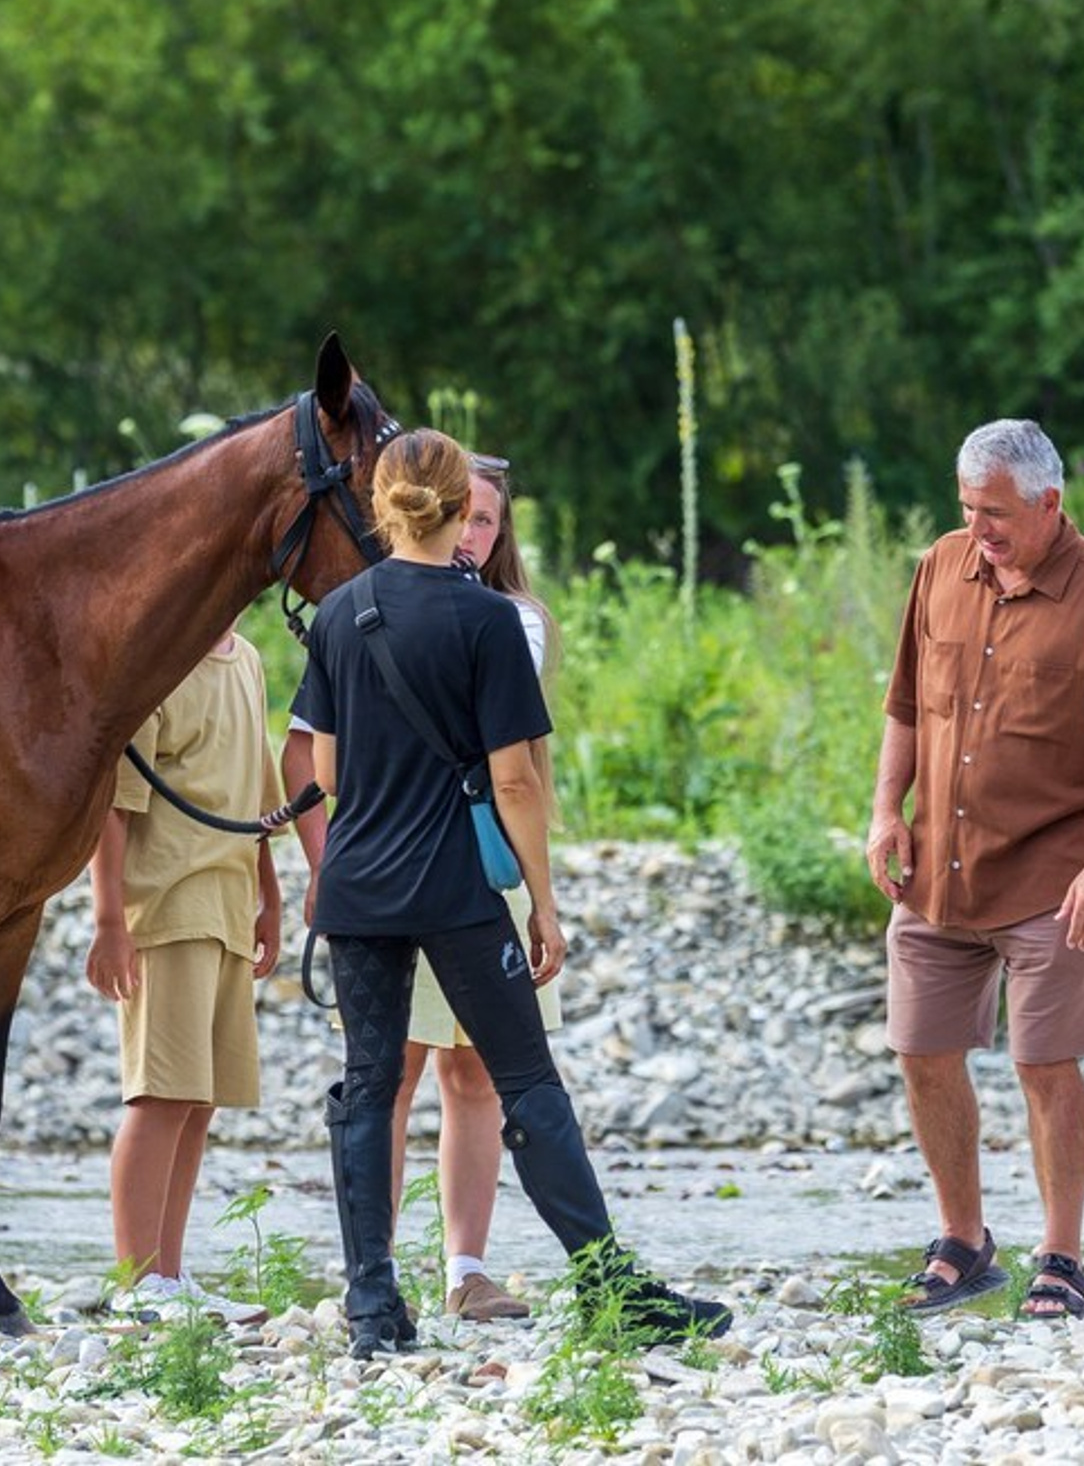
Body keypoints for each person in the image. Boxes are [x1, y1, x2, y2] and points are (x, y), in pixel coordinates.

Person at [294, 426, 731, 1359]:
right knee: (525, 1080)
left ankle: (373, 1305)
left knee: (369, 1086)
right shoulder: (487, 620)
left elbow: (326, 770)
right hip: (455, 886)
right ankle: (612, 1290)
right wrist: (543, 902)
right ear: (463, 510)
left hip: (359, 885)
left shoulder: (336, 614)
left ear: (379, 506)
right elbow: (516, 781)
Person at [866, 419, 1084, 1322]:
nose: (979, 529)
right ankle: (963, 1243)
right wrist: (886, 811)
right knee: (921, 1052)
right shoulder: (941, 565)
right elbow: (904, 706)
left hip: (1055, 880)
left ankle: (1062, 1257)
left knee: (1045, 1065)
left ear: (1050, 503)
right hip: (938, 874)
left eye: (996, 513)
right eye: (968, 508)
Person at [282, 452, 562, 1324]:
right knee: (396, 1075)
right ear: (427, 511)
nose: (471, 532)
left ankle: (457, 1270)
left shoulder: (510, 620)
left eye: (487, 520)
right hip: (430, 877)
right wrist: (325, 863)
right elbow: (307, 755)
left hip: (466, 867)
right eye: (462, 514)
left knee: (470, 1075)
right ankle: (378, 1273)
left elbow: (334, 765)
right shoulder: (363, 613)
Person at [85, 627, 283, 1324]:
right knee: (160, 1095)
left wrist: (271, 898)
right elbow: (112, 807)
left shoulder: (248, 660)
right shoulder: (156, 661)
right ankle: (136, 1284)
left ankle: (168, 1277)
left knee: (200, 1102)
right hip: (166, 906)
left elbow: (260, 800)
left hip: (229, 905)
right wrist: (110, 923)